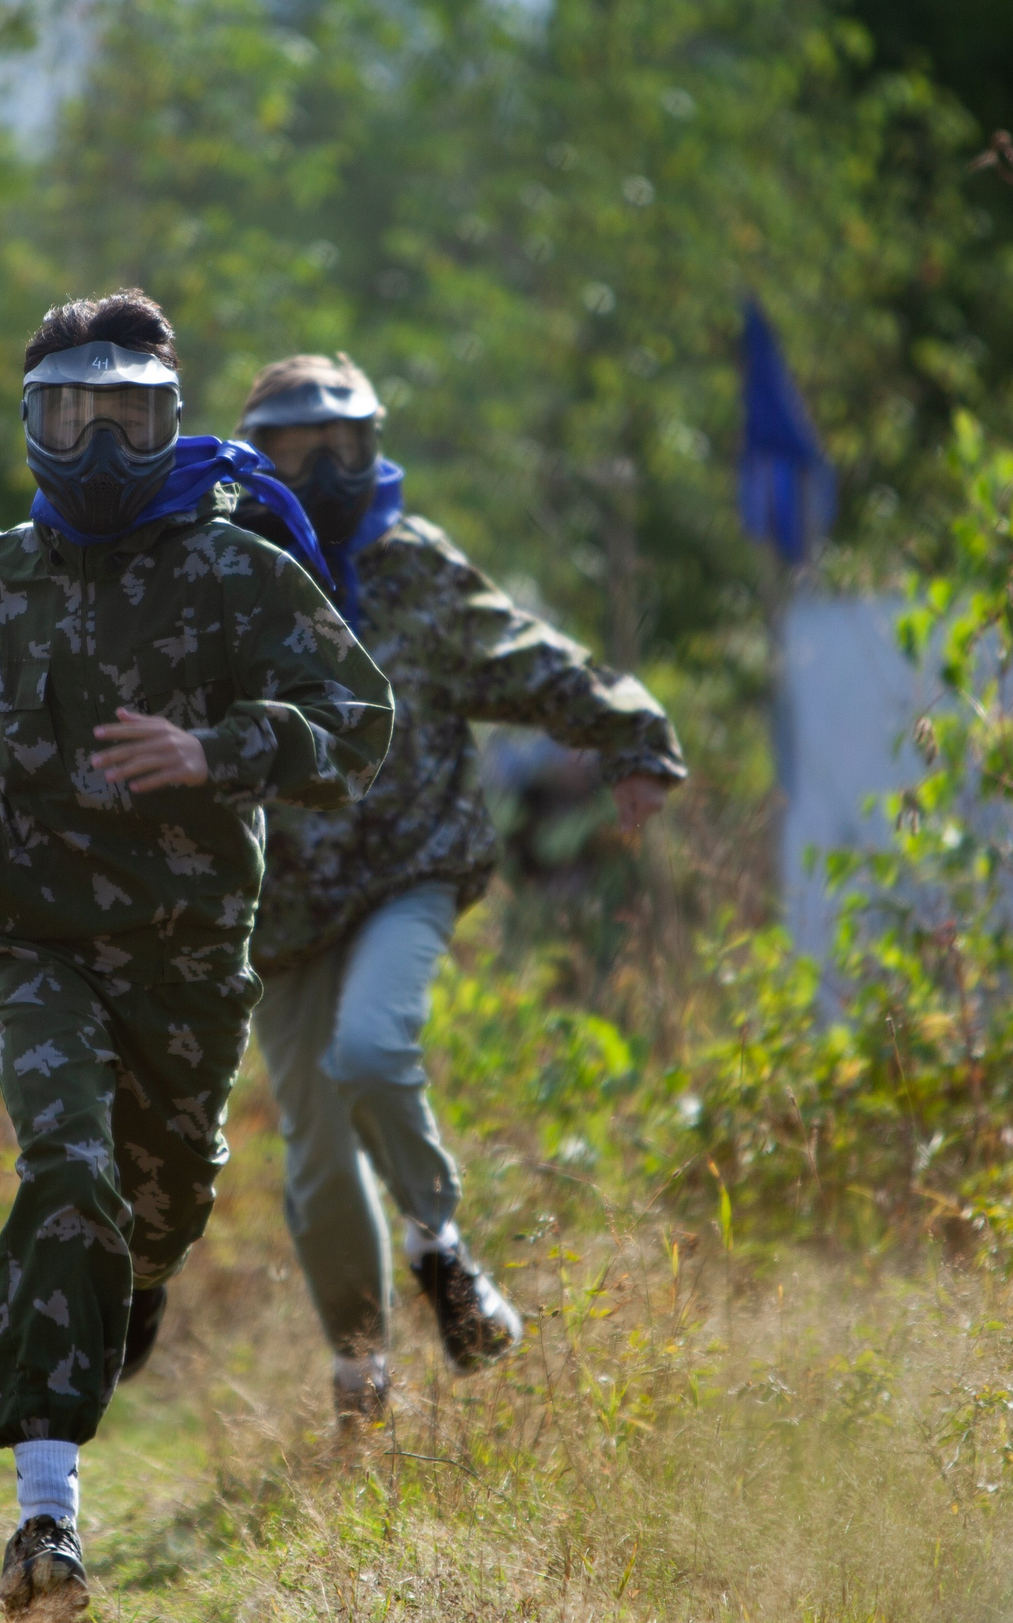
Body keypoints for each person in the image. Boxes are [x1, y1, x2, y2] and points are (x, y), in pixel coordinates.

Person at [0, 296, 393, 1621]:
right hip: (41, 942)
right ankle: (44, 1522)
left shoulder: (229, 571)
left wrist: (219, 752)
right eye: (73, 414)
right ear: (34, 422)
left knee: (155, 1212)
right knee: (66, 1167)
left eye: (132, 418)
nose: (103, 447)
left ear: (172, 423)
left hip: (187, 957)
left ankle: (133, 1280)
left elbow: (361, 716)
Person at [235, 352, 685, 1423]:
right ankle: (361, 1376)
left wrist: (633, 735)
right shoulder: (229, 572)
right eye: (290, 455)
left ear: (368, 445)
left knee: (374, 1049)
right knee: (314, 1156)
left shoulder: (410, 565)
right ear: (258, 461)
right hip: (283, 901)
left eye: (334, 449)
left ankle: (442, 1250)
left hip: (410, 865)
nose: (317, 474)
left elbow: (522, 659)